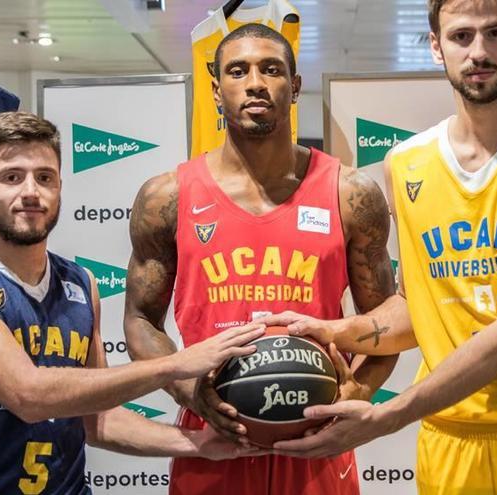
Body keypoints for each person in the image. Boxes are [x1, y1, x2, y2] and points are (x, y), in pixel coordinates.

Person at [262, 1, 497, 493]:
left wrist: (387, 416)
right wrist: (335, 330)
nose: (479, 51)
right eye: (461, 36)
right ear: (436, 46)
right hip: (452, 443)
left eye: (495, 33)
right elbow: (422, 307)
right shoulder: (406, 163)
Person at [0, 112, 265, 495]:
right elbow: (27, 395)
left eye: (44, 178)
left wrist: (200, 444)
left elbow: (98, 421)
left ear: (60, 186)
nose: (30, 191)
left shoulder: (80, 283)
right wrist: (175, 365)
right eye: (12, 177)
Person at [124, 23, 398, 495]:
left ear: (294, 87)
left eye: (271, 69)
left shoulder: (350, 194)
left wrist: (359, 390)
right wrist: (192, 392)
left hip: (317, 442)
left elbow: (387, 319)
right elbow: (140, 320)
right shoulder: (166, 197)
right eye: (238, 70)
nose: (255, 82)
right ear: (215, 89)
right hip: (213, 438)